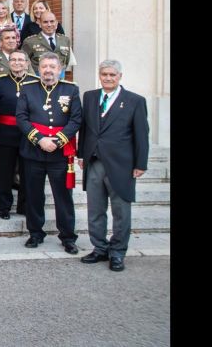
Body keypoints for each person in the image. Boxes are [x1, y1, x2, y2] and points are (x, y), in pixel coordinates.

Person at [77, 59, 149, 272]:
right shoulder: (90, 97)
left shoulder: (135, 101)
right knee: (95, 210)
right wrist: (82, 155)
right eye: (104, 74)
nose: (108, 78)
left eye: (112, 75)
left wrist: (140, 163)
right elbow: (85, 129)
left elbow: (141, 135)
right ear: (100, 75)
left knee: (121, 211)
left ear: (120, 77)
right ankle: (99, 248)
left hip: (121, 165)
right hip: (94, 162)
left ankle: (117, 252)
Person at [16, 52, 82, 254]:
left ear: (60, 69)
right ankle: (35, 233)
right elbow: (21, 117)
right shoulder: (27, 89)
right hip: (33, 151)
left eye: (52, 67)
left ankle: (68, 237)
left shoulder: (70, 89)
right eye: (44, 67)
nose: (48, 70)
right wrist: (40, 139)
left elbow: (76, 119)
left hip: (59, 154)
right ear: (38, 69)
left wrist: (59, 140)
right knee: (34, 195)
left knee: (63, 197)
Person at [0, 50, 37, 218]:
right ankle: (4, 207)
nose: (17, 63)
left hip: (28, 135)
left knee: (27, 172)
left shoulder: (35, 82)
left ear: (27, 63)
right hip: (5, 134)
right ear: (8, 63)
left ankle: (23, 206)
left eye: (20, 60)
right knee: (5, 172)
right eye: (13, 60)